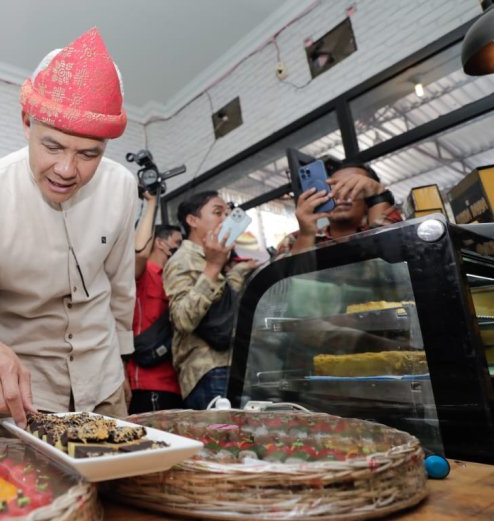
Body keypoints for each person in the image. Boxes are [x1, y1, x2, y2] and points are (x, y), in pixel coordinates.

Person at [0, 28, 137, 426]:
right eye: (52, 147)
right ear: (27, 121)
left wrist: (121, 364)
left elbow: (120, 287)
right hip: (22, 396)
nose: (67, 170)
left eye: (88, 154)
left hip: (105, 382)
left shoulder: (121, 187)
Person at [163, 191, 257, 410]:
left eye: (227, 213)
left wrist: (238, 270)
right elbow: (182, 319)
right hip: (209, 371)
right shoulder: (182, 259)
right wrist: (213, 267)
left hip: (232, 365)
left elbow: (221, 304)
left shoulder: (214, 257)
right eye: (217, 212)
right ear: (192, 220)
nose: (225, 219)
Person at [126, 188, 184, 414]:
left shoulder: (176, 278)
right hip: (149, 382)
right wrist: (152, 203)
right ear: (160, 243)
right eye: (177, 242)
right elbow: (139, 253)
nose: (181, 247)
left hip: (178, 381)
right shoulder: (143, 273)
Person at [277, 161, 402, 255]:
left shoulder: (393, 226)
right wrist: (306, 235)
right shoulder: (293, 240)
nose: (341, 195)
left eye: (353, 187)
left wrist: (379, 197)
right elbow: (287, 285)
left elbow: (393, 261)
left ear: (368, 198)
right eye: (334, 186)